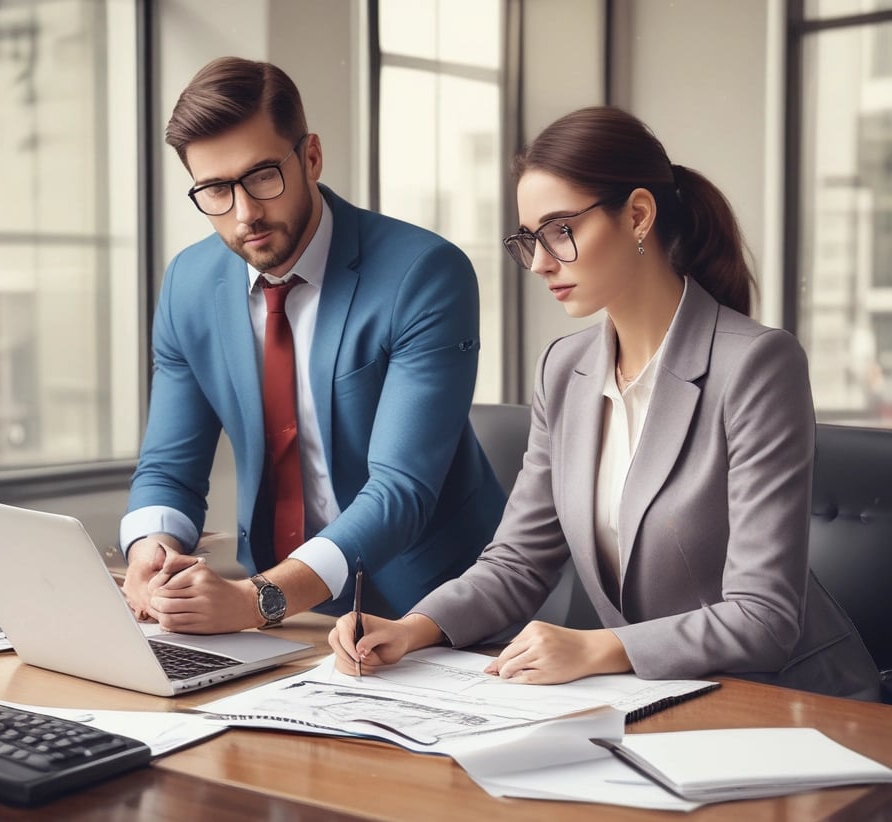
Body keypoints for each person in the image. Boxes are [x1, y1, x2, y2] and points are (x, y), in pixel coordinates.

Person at [329, 106, 881, 701]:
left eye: (560, 230)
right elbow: (516, 563)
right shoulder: (565, 370)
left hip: (792, 705)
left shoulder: (757, 365)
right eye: (528, 239)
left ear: (638, 215)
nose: (540, 262)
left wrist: (599, 647)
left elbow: (763, 616)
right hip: (656, 700)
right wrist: (412, 629)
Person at [120, 56, 506, 634]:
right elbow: (169, 468)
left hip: (432, 613)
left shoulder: (424, 274)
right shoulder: (189, 285)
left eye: (262, 177)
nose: (245, 212)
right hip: (280, 615)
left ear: (312, 157)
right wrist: (149, 549)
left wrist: (257, 598)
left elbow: (400, 490)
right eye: (216, 191)